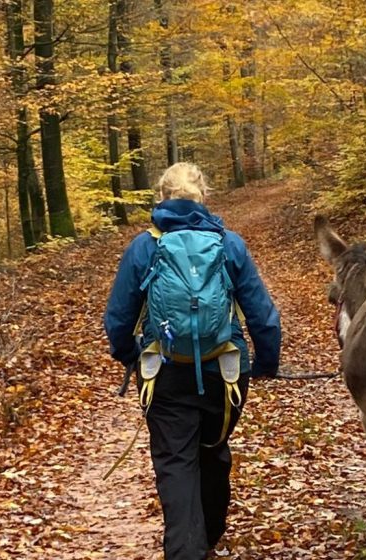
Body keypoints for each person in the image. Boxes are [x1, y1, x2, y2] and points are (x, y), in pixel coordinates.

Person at [104, 162, 281, 559]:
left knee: (176, 463)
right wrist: (267, 362)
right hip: (226, 373)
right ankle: (210, 534)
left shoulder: (144, 246)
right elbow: (262, 313)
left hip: (164, 374)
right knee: (213, 449)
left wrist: (129, 354)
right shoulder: (229, 244)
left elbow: (118, 318)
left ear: (161, 197)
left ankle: (188, 547)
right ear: (204, 197)